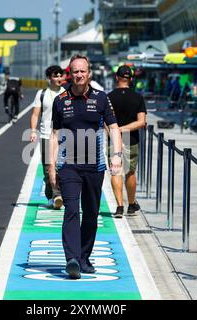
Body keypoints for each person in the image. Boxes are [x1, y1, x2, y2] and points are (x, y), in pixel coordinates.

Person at [49, 54, 122, 279]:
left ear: (89, 74)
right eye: (75, 71)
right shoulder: (60, 100)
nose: (79, 75)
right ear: (70, 74)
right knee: (71, 210)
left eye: (83, 71)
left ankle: (83, 257)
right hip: (68, 165)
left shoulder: (101, 98)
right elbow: (54, 135)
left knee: (91, 214)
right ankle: (71, 258)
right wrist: (51, 166)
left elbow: (114, 127)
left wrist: (117, 154)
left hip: (95, 166)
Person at [107, 65, 147, 219]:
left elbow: (104, 120)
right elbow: (141, 122)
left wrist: (114, 131)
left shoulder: (109, 97)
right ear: (130, 79)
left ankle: (119, 206)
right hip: (131, 138)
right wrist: (124, 129)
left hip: (114, 138)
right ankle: (131, 204)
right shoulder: (138, 98)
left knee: (116, 171)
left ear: (117, 77)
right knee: (130, 172)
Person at [30, 65, 65, 209]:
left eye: (60, 75)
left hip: (64, 135)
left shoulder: (67, 93)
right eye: (55, 76)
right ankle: (53, 196)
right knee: (47, 169)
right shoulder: (42, 94)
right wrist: (33, 130)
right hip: (45, 135)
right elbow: (35, 114)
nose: (58, 78)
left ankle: (59, 194)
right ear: (49, 78)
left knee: (62, 168)